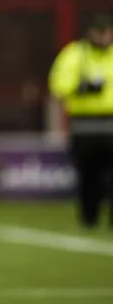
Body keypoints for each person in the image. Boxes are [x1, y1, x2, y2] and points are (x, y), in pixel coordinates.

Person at [48, 14, 113, 228]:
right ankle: (89, 218)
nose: (103, 37)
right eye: (99, 32)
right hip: (85, 126)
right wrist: (81, 87)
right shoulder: (75, 54)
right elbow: (59, 86)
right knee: (89, 176)